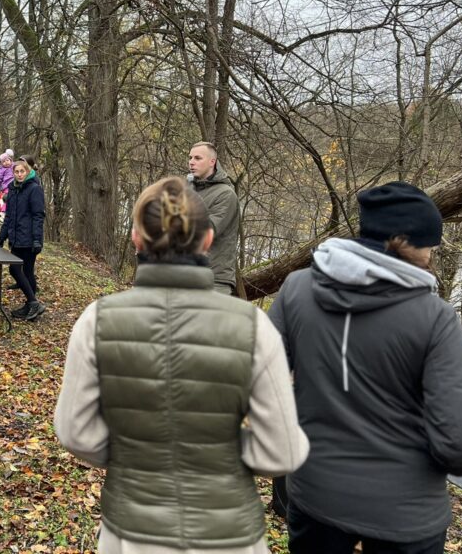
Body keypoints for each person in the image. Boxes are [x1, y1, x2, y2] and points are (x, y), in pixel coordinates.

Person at [55, 175, 308, 554]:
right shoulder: (254, 327)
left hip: (132, 535)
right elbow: (282, 450)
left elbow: (76, 433)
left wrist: (140, 451)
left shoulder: (97, 320)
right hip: (230, 537)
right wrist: (215, 450)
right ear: (208, 240)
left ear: (136, 239)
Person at [269, 181, 462, 554]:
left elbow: (260, 379)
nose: (433, 253)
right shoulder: (434, 317)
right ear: (404, 242)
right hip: (406, 513)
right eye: (430, 244)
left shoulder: (296, 289)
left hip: (314, 494)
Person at [188, 141, 239, 294]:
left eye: (198, 158)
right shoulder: (186, 189)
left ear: (212, 162)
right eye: (190, 158)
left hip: (213, 281)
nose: (191, 162)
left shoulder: (225, 194)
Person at [0, 159, 46, 320]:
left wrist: (37, 239)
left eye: (22, 171)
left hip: (29, 238)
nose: (19, 174)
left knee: (19, 269)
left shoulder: (34, 189)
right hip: (16, 237)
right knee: (22, 270)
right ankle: (31, 304)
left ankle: (33, 303)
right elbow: (9, 216)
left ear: (28, 172)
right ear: (13, 173)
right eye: (16, 172)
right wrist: (2, 236)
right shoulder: (12, 189)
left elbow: (38, 216)